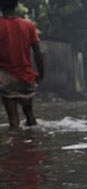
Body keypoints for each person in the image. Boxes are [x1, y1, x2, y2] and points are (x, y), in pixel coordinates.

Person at [0, 0, 44, 128]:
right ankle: (34, 144)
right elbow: (37, 52)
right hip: (26, 78)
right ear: (16, 6)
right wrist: (41, 73)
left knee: (14, 123)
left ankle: (17, 146)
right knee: (30, 118)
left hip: (7, 79)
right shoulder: (28, 25)